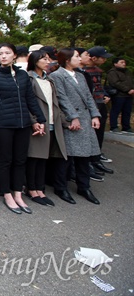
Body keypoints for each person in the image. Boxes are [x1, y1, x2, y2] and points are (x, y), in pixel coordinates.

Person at [0, 43, 46, 214]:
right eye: (0, 53)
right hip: (3, 123)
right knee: (5, 160)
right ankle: (7, 194)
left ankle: (18, 193)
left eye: (7, 53)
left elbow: (30, 99)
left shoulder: (22, 75)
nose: (3, 56)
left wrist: (39, 118)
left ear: (14, 55)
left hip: (23, 123)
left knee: (21, 160)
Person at [49, 49, 102, 205]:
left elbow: (88, 97)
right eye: (77, 56)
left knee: (84, 156)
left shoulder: (80, 75)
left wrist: (95, 115)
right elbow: (62, 98)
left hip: (85, 118)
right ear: (67, 60)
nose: (80, 59)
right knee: (66, 156)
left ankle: (84, 186)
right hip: (70, 120)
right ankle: (61, 187)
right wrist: (74, 117)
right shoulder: (57, 76)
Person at [25, 51, 67, 206]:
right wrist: (33, 120)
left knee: (43, 158)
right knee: (33, 157)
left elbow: (55, 102)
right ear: (35, 61)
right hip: (37, 123)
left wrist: (63, 121)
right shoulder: (28, 78)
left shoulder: (49, 79)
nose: (47, 61)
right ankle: (32, 188)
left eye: (48, 59)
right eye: (44, 59)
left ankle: (40, 188)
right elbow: (26, 102)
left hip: (51, 122)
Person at [107, 57, 134, 134]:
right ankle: (114, 126)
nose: (124, 64)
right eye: (121, 62)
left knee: (127, 111)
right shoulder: (112, 72)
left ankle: (126, 127)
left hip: (128, 95)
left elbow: (130, 81)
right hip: (118, 94)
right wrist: (127, 89)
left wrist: (131, 89)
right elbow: (115, 83)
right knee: (115, 110)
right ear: (115, 64)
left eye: (124, 62)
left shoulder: (127, 72)